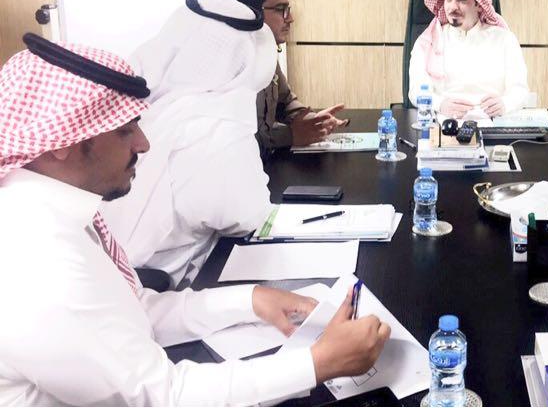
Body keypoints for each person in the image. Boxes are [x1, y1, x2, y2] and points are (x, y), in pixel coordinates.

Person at [0, 33, 390, 405]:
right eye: (124, 131)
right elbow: (164, 397)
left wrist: (250, 299)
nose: (143, 143)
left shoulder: (52, 207)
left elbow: (135, 314)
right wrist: (318, 363)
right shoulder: (38, 259)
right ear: (60, 144)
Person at [102, 0, 280, 285]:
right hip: (169, 288)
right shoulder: (221, 126)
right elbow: (249, 217)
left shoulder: (144, 105)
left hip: (110, 269)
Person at [224, 0, 348, 158]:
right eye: (280, 9)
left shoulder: (265, 52)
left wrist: (313, 121)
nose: (290, 18)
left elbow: (286, 101)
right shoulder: (226, 66)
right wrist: (290, 135)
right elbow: (231, 140)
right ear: (249, 12)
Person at [408, 0, 529, 119]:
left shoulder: (504, 39)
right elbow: (416, 90)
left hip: (494, 122)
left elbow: (520, 90)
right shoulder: (428, 41)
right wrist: (440, 104)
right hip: (444, 122)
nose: (453, 7)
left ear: (479, 4)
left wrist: (505, 103)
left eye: (462, 0)